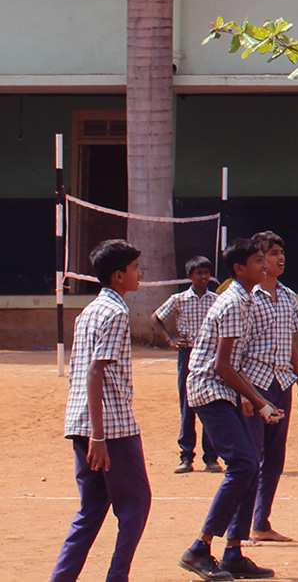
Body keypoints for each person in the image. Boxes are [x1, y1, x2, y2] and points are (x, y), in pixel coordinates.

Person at [180, 238, 281, 581]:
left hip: (227, 388)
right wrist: (260, 400)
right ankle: (199, 547)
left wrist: (254, 399)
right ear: (240, 269)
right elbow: (222, 365)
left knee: (250, 464)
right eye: (257, 261)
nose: (264, 265)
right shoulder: (235, 303)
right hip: (209, 387)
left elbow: (236, 362)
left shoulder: (248, 299)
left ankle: (234, 552)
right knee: (243, 463)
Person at [51, 240, 151, 582]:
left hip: (80, 420)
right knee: (136, 505)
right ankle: (117, 577)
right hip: (110, 428)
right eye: (136, 269)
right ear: (118, 275)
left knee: (91, 509)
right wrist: (99, 436)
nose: (140, 275)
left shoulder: (89, 312)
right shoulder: (116, 312)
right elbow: (95, 371)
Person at [244, 232, 298, 544]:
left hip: (281, 382)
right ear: (258, 260)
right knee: (250, 456)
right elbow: (236, 350)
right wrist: (245, 395)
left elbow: (291, 344)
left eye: (281, 252)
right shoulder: (246, 297)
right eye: (272, 253)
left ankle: (261, 521)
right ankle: (238, 525)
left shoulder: (288, 296)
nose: (279, 258)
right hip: (255, 385)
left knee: (274, 457)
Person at [153, 255, 220, 475]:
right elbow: (156, 317)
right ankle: (186, 456)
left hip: (210, 356)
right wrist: (170, 340)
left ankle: (211, 458)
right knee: (187, 405)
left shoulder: (216, 300)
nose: (203, 277)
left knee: (210, 402)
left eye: (206, 273)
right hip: (188, 354)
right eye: (199, 273)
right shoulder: (179, 299)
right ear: (189, 276)